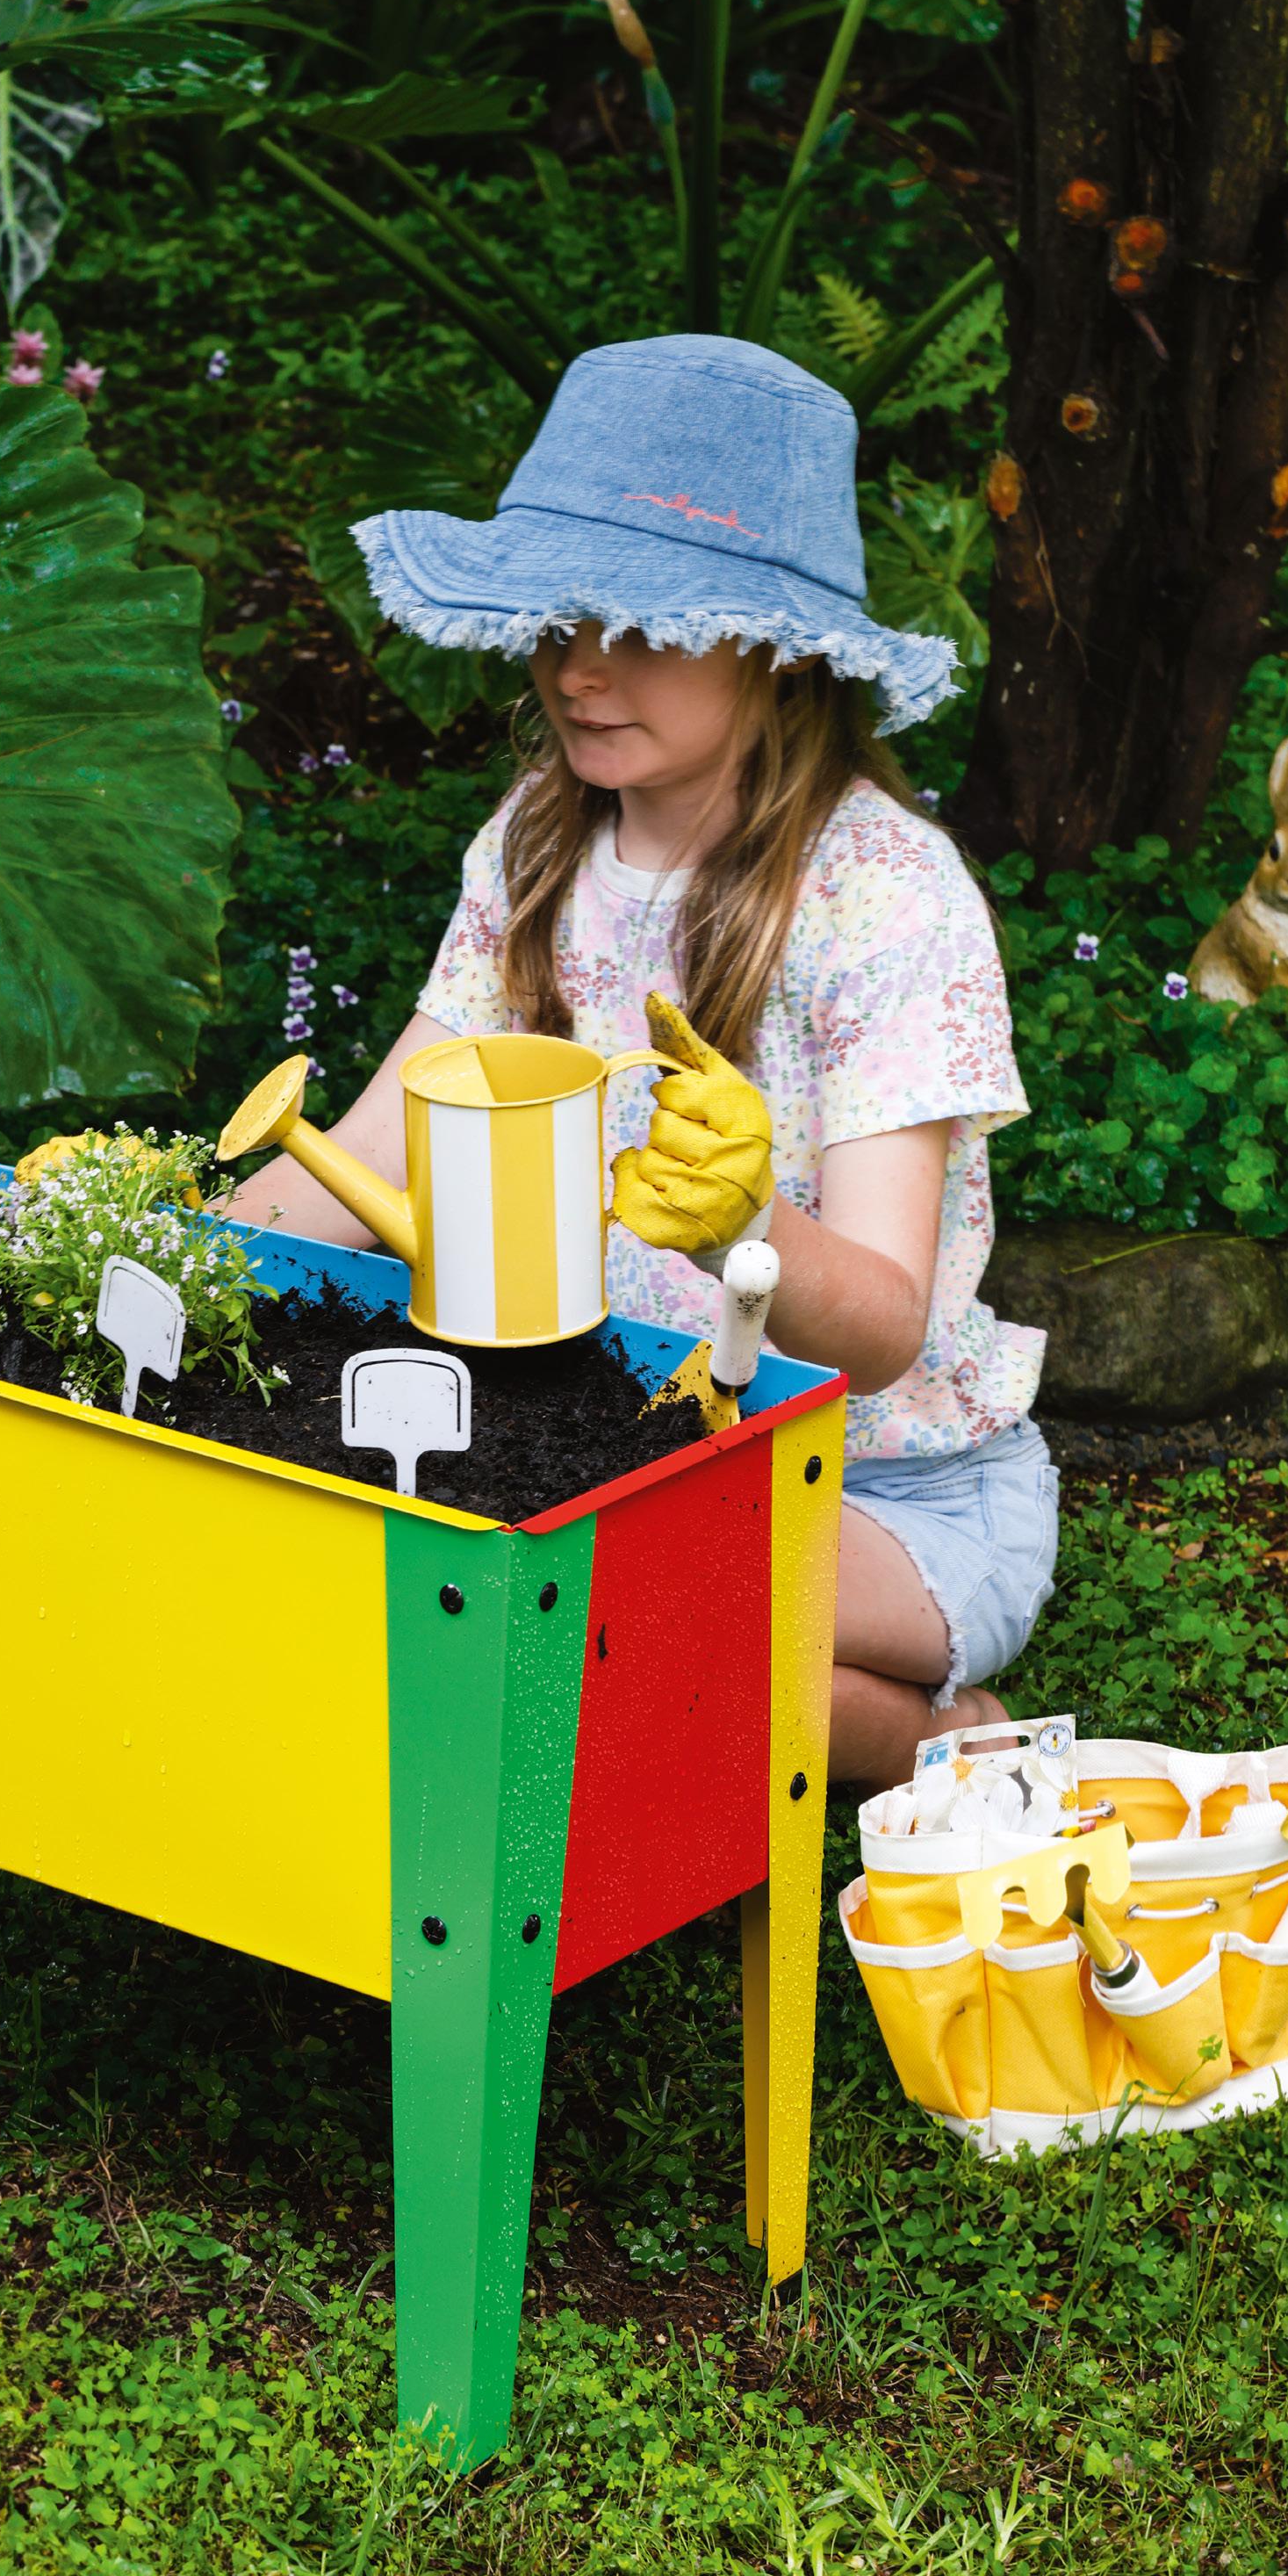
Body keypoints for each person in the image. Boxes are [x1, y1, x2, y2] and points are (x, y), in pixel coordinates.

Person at [221, 333, 1054, 1790]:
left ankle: (931, 1740)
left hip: (891, 1489)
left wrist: (746, 1221)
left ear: (776, 645)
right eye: (558, 615)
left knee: (609, 1619)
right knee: (493, 1583)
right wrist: (155, 1248)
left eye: (644, 624)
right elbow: (373, 1146)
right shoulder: (537, 841)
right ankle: (752, 1674)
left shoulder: (883, 892)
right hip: (617, 1440)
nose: (578, 667)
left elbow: (880, 1325)